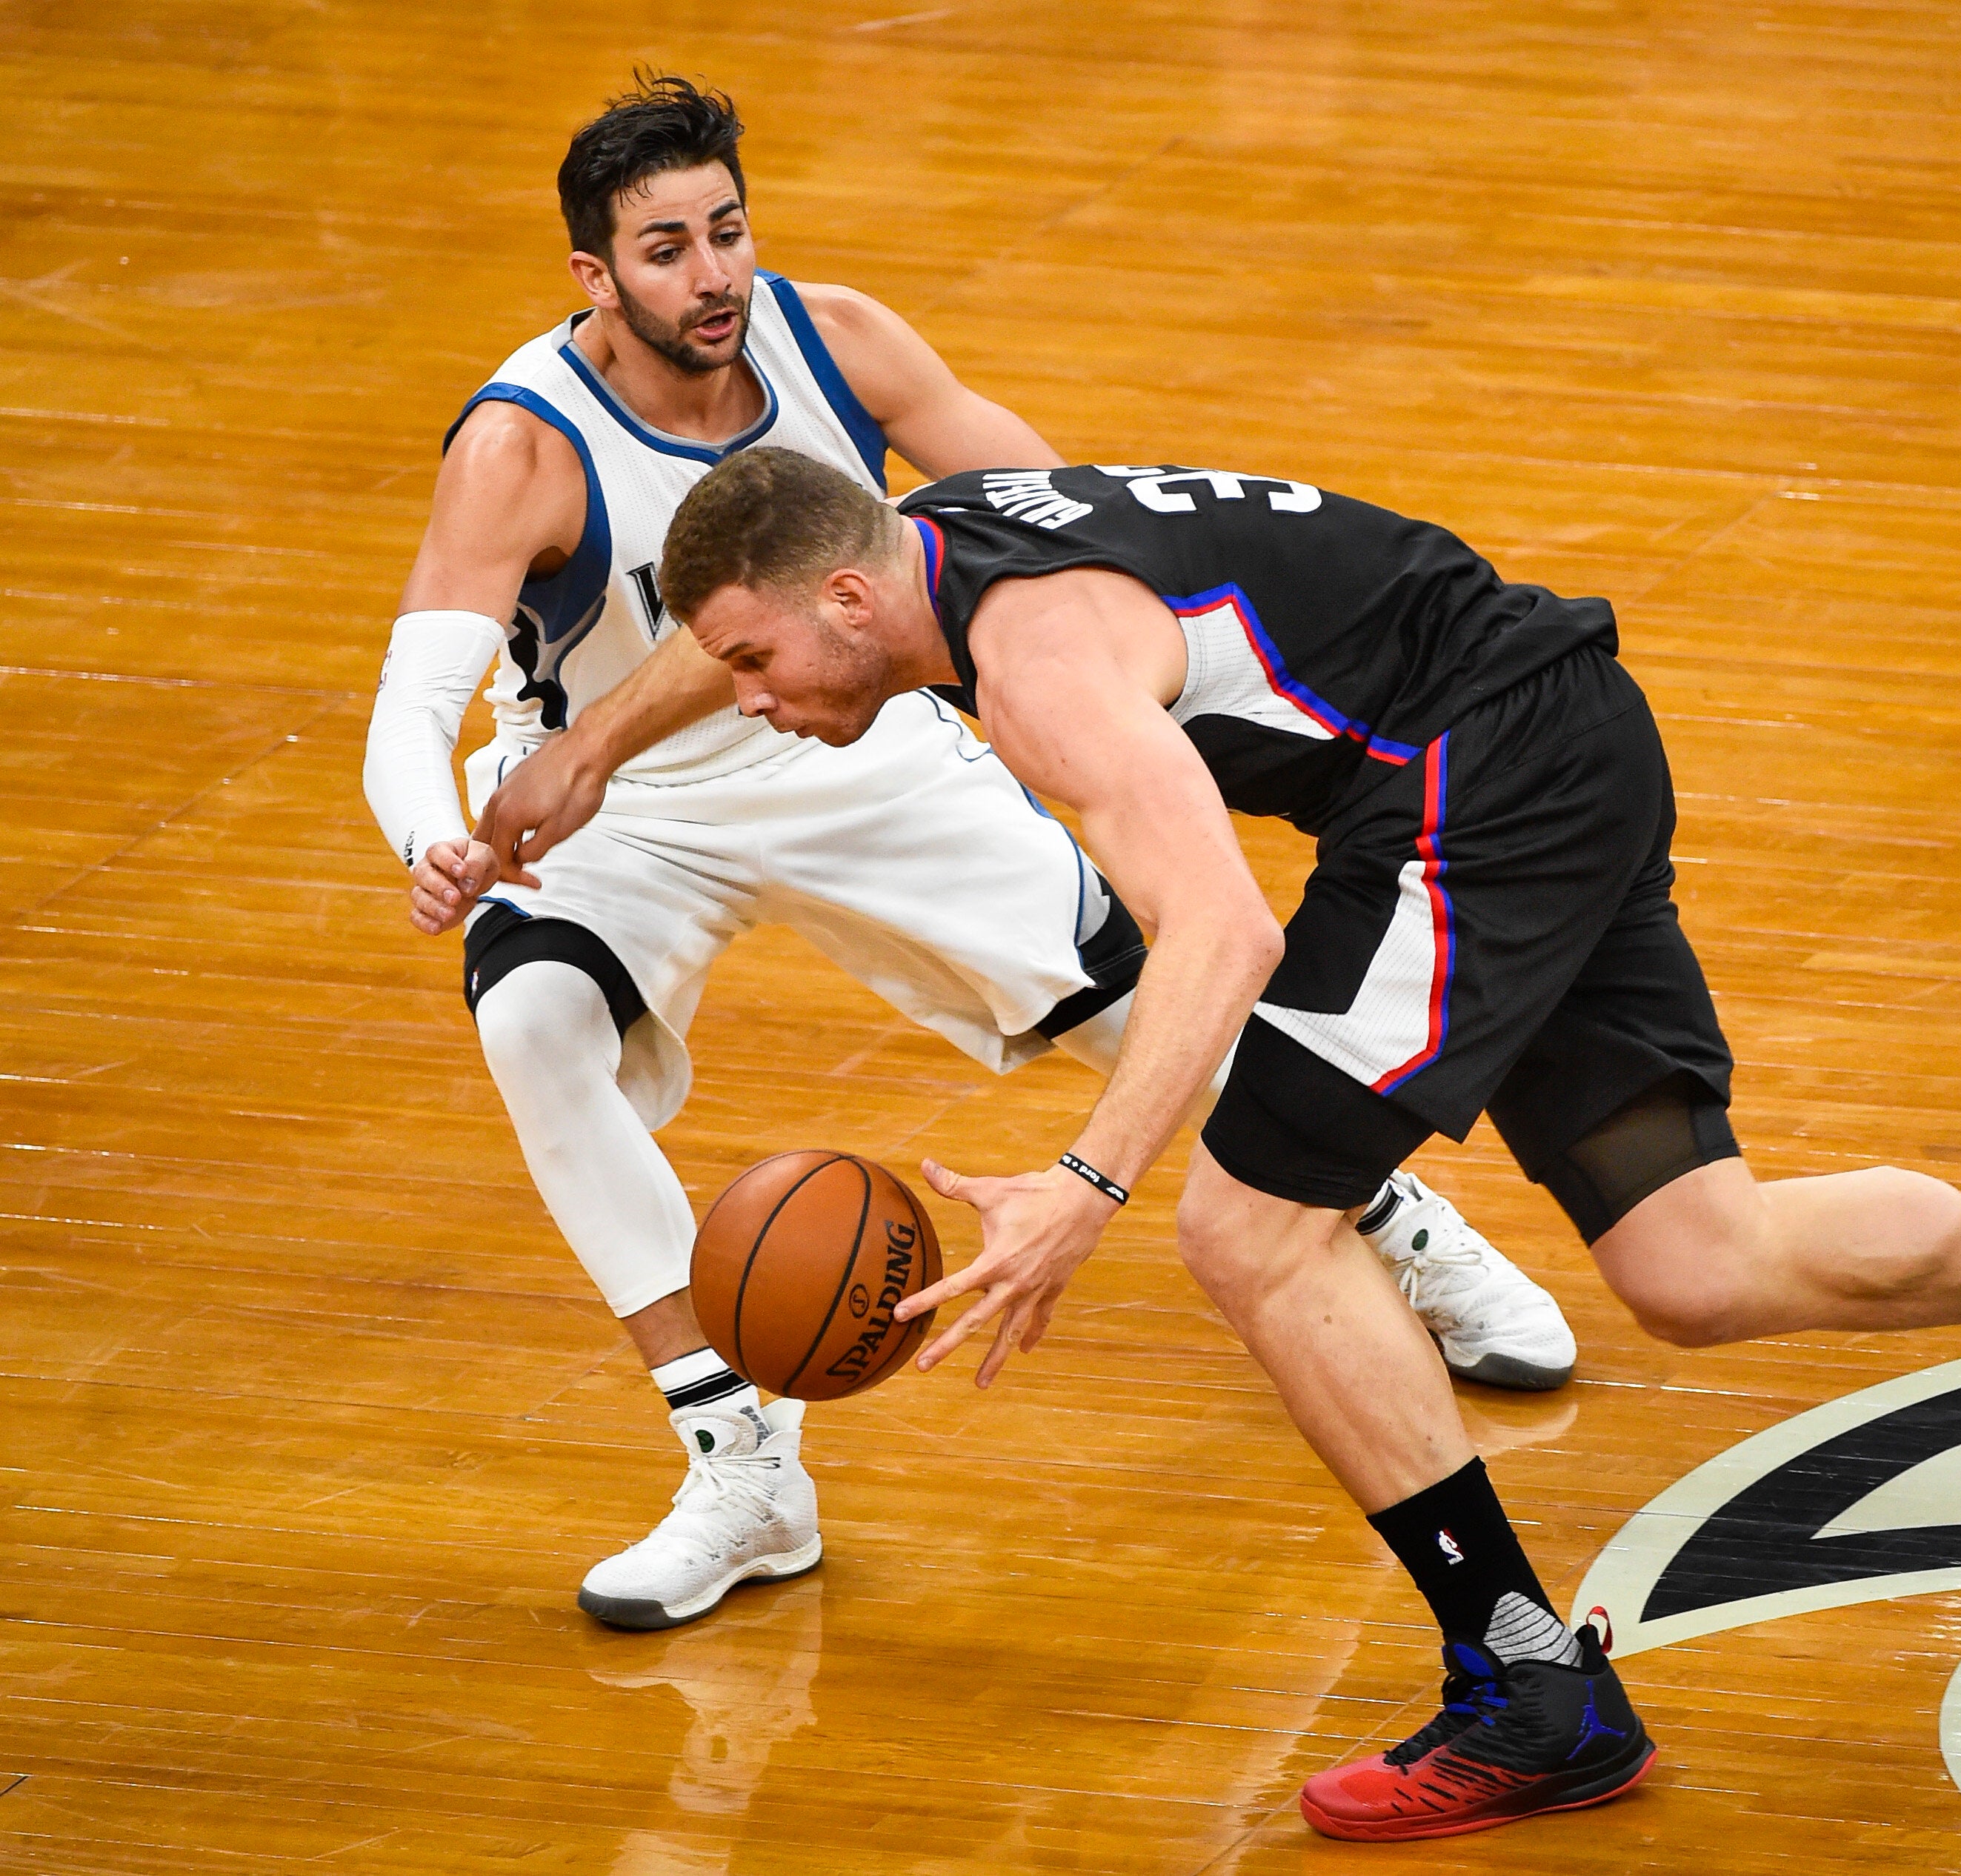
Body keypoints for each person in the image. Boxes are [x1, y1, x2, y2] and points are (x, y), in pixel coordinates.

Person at [638, 447, 1961, 1841]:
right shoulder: (936, 526)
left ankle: (1526, 1691)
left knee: (1247, 1232)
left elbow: (1222, 938)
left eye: (749, 663)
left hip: (1469, 789)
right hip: (1553, 736)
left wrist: (1082, 1188)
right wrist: (568, 774)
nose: (747, 699)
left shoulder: (1031, 668)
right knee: (1695, 1266)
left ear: (852, 594)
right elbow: (855, 545)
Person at [360, 78, 1572, 1635]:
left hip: (860, 746)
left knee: (1142, 1007)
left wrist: (1069, 679)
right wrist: (436, 839)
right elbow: (414, 702)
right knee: (531, 1026)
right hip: (628, 802)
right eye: (664, 250)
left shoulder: (836, 339)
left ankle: (1391, 1221)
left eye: (727, 231)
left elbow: (1047, 508)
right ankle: (741, 1460)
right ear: (594, 280)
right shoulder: (519, 448)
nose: (714, 274)